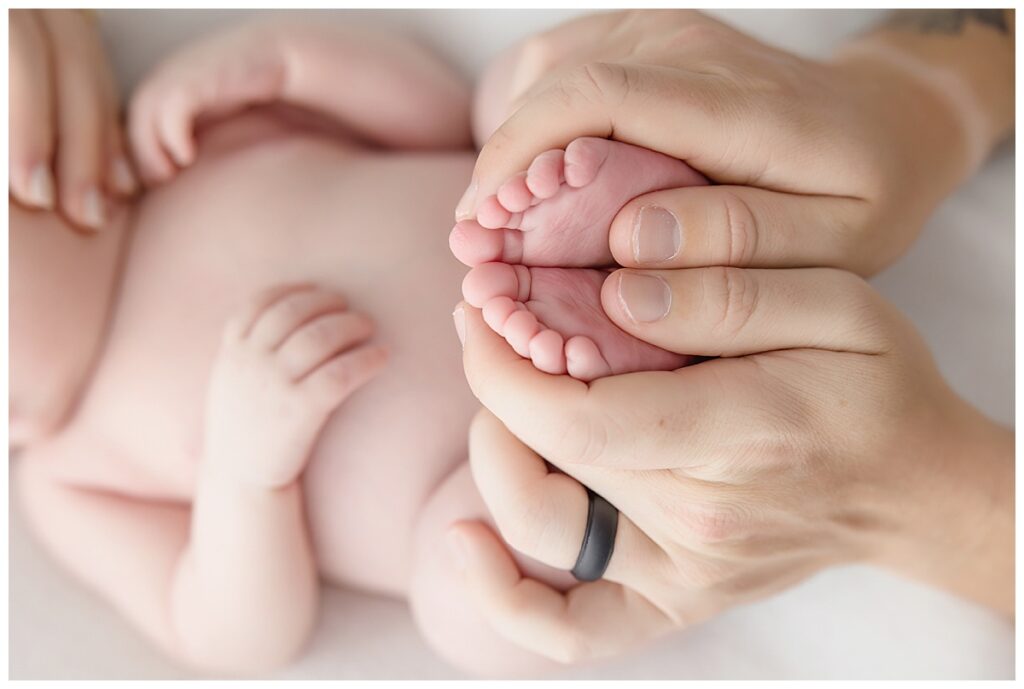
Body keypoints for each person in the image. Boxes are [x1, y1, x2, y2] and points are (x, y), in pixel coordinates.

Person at [11, 11, 609, 677]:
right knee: (469, 602)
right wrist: (244, 474)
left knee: (512, 95)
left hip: (551, 243)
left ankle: (628, 208)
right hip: (506, 472)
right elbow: (228, 637)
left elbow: (441, 119)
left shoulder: (181, 139)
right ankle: (624, 488)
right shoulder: (69, 478)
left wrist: (281, 62)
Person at [445, 9, 1015, 665]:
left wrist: (931, 499)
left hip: (468, 326)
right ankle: (636, 281)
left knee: (504, 98)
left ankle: (639, 320)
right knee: (472, 587)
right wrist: (914, 100)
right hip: (456, 430)